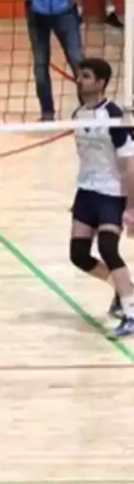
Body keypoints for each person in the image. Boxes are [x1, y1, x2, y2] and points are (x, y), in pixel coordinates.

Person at [66, 57, 134, 338]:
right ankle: (123, 289)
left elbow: (130, 165)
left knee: (108, 247)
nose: (79, 80)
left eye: (86, 76)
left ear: (100, 83)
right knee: (79, 255)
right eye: (80, 76)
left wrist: (131, 207)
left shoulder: (116, 117)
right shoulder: (77, 114)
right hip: (86, 192)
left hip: (111, 194)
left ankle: (131, 311)